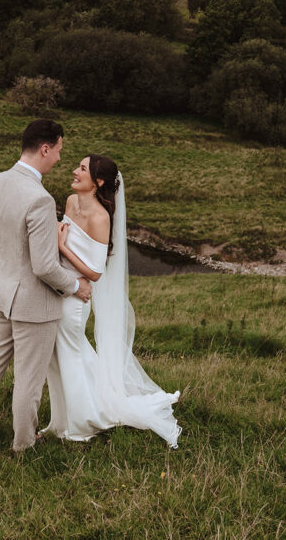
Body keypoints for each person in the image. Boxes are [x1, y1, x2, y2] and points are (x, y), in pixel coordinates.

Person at [0, 120, 93, 453]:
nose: (60, 160)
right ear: (45, 148)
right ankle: (23, 445)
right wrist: (75, 286)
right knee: (28, 380)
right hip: (33, 305)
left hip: (1, 292)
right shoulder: (39, 199)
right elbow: (44, 266)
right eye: (59, 151)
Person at [42, 154, 181, 448]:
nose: (74, 171)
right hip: (58, 287)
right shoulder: (69, 201)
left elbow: (96, 271)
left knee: (70, 355)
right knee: (59, 357)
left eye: (82, 168)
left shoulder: (100, 217)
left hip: (76, 297)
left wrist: (62, 248)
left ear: (99, 181)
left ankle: (80, 424)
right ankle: (61, 420)